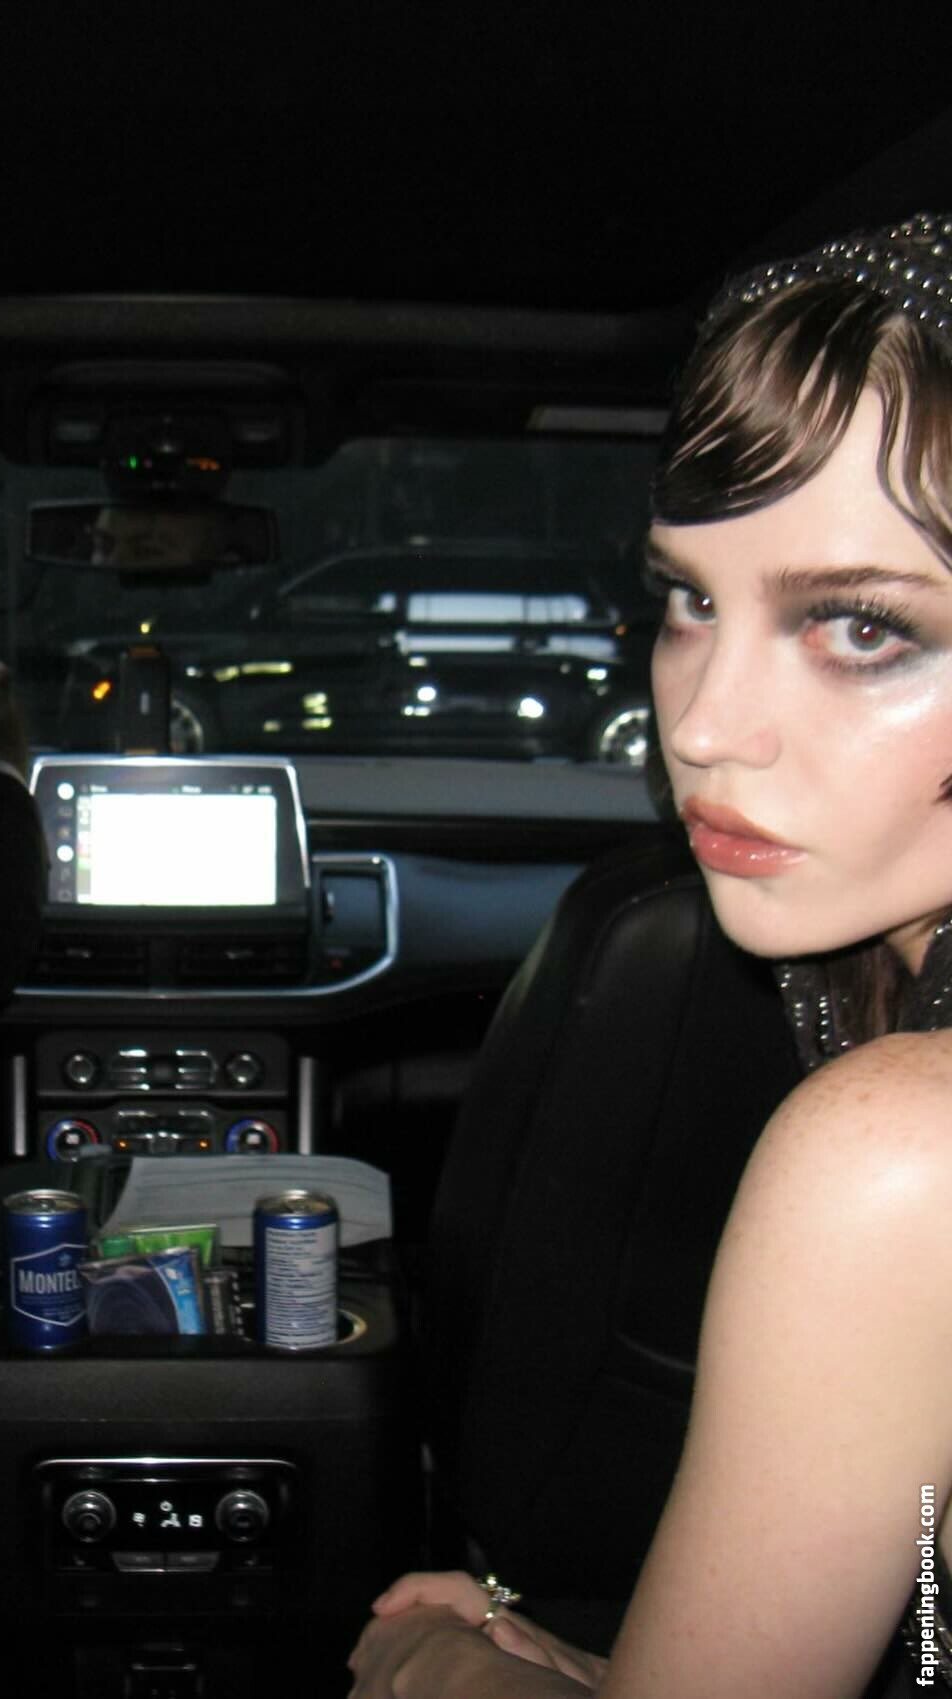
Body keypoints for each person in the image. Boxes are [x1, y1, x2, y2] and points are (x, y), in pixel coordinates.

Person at [349, 212, 952, 1699]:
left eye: (862, 629)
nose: (702, 723)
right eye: (690, 600)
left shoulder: (901, 1155)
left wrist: (429, 1668)